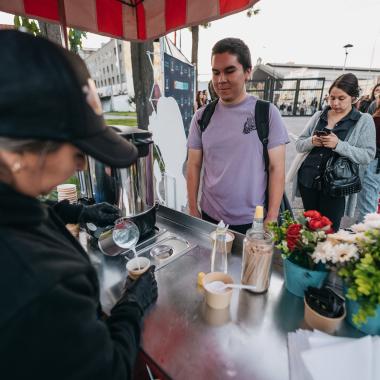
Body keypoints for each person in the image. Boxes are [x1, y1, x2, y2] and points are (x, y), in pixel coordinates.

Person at [0, 30, 158, 379]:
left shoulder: (13, 201)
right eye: (76, 151)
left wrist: (77, 211)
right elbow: (111, 370)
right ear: (16, 154)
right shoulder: (43, 285)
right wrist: (131, 306)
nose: (84, 165)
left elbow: (30, 214)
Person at [186, 38, 288, 234]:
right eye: (216, 72)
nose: (221, 79)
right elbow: (193, 165)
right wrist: (192, 208)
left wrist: (272, 216)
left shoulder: (267, 113)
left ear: (247, 72)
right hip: (209, 217)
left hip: (253, 221)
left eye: (229, 71)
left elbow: (277, 168)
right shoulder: (201, 116)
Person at [293, 73, 376, 231]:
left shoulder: (363, 120)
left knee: (329, 232)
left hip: (336, 186)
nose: (335, 103)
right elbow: (299, 144)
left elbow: (367, 155)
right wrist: (312, 141)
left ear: (353, 97)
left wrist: (338, 145)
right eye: (332, 97)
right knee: (310, 230)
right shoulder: (319, 116)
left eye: (341, 98)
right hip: (308, 181)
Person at [356, 95, 380, 221]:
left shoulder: (375, 120)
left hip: (373, 163)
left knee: (368, 203)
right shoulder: (374, 117)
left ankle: (366, 235)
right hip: (375, 163)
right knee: (372, 200)